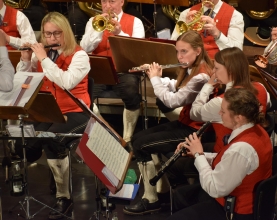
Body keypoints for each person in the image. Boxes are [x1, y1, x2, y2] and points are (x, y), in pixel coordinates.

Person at [123, 30, 214, 216]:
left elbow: (172, 101)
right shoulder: (192, 68)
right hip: (185, 124)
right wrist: (156, 75)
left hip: (197, 131)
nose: (180, 57)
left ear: (198, 51)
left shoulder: (202, 76)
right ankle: (162, 192)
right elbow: (176, 85)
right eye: (178, 52)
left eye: (184, 52)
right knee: (139, 137)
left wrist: (154, 78)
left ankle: (151, 200)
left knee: (140, 145)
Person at [16, 12, 91, 219]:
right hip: (50, 112)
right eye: (47, 34)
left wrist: (42, 58)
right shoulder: (45, 55)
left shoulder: (80, 56)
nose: (52, 39)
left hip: (78, 112)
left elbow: (65, 82)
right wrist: (25, 61)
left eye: (57, 33)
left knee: (53, 140)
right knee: (26, 143)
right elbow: (23, 84)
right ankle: (52, 174)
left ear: (65, 32)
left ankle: (64, 197)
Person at [167, 47, 271, 182]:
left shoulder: (223, 102)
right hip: (245, 149)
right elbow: (266, 105)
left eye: (216, 68)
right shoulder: (261, 88)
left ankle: (189, 194)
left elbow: (194, 113)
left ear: (231, 71)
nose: (213, 72)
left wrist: (208, 85)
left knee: (172, 163)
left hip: (225, 154)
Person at [167, 88, 272, 220]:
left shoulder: (242, 148)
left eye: (223, 111)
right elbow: (229, 161)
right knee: (180, 196)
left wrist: (199, 156)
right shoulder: (257, 129)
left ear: (238, 117)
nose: (219, 113)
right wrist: (198, 153)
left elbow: (214, 188)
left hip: (235, 211)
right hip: (235, 197)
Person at [80, 0, 145, 143]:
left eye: (112, 1)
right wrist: (98, 31)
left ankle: (127, 137)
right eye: (104, 1)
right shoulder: (93, 21)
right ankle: (107, 133)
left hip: (124, 70)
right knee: (85, 98)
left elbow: (136, 51)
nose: (107, 6)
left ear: (122, 2)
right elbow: (84, 48)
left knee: (131, 93)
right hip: (100, 70)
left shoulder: (135, 22)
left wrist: (119, 33)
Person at [171, 0, 244, 59]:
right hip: (192, 66)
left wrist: (218, 34)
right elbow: (172, 45)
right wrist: (186, 32)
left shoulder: (235, 15)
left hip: (221, 66)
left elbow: (237, 51)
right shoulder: (186, 13)